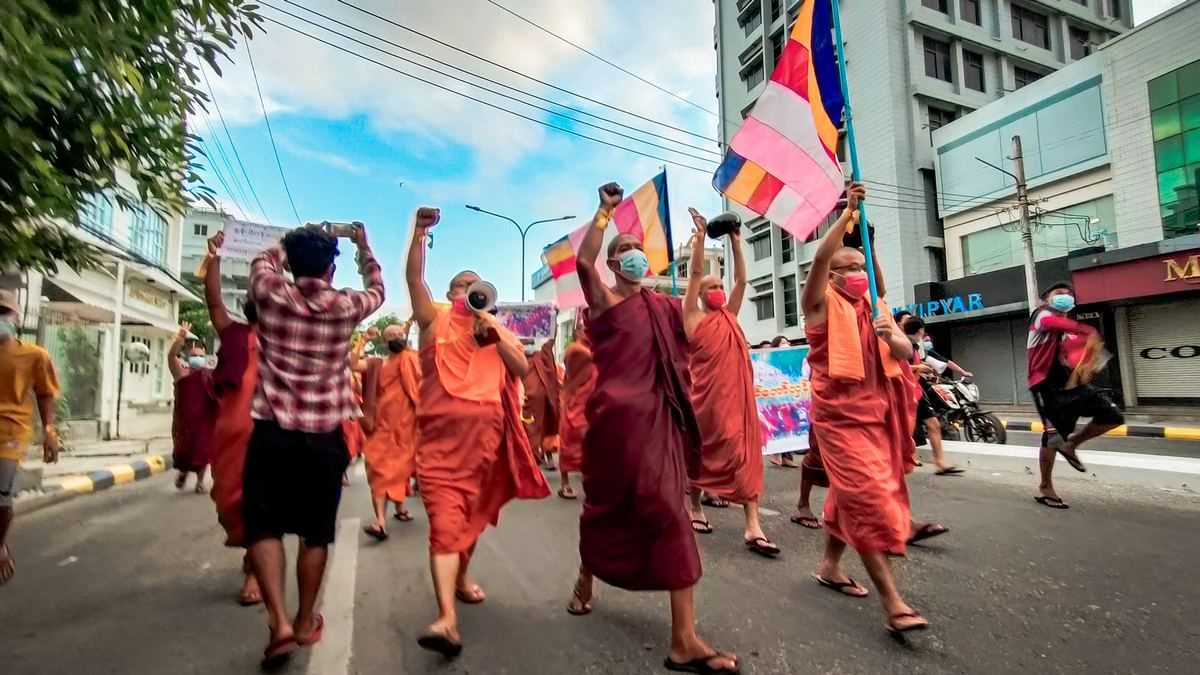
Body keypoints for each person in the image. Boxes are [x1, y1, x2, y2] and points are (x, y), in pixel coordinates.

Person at [566, 183, 738, 674]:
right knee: (608, 509)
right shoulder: (604, 303)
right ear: (613, 264)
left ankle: (683, 639)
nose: (634, 255)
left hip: (660, 421)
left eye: (637, 248)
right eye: (624, 250)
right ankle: (586, 577)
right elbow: (583, 263)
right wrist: (604, 212)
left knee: (669, 513)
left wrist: (700, 242)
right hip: (617, 426)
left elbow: (697, 283)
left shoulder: (664, 307)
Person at [405, 207, 549, 658]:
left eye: (476, 287)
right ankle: (446, 618)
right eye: (462, 286)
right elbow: (413, 280)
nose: (470, 291)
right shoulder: (434, 321)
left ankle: (461, 578)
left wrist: (496, 337)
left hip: (483, 443)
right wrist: (418, 235)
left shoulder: (496, 329)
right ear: (451, 294)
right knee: (445, 522)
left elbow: (522, 369)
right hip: (438, 444)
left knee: (468, 520)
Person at [244, 223, 384, 667]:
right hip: (324, 435)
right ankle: (305, 621)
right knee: (316, 531)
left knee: (264, 527)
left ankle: (279, 623)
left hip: (271, 430)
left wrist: (284, 247)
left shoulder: (270, 292)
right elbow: (377, 288)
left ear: (291, 262)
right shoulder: (346, 306)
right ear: (331, 269)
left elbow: (263, 261)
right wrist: (363, 246)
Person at [801, 183, 931, 635]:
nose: (857, 273)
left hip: (879, 415)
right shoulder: (819, 305)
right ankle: (893, 602)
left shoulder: (876, 307)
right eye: (849, 268)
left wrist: (892, 336)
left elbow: (905, 354)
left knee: (848, 495)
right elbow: (821, 259)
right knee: (868, 497)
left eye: (861, 267)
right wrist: (846, 216)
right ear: (832, 276)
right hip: (839, 420)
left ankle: (829, 565)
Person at [681, 208, 777, 559]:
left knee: (744, 455)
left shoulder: (729, 314)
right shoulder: (693, 316)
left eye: (720, 286)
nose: (719, 290)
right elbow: (694, 275)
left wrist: (736, 241)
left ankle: (753, 525)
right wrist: (700, 238)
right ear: (700, 294)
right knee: (702, 454)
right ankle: (695, 506)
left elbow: (742, 281)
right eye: (712, 287)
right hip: (706, 400)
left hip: (739, 400)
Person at [200, 231, 262, 607]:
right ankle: (251, 552)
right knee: (227, 501)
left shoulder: (284, 339)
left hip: (267, 433)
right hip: (230, 436)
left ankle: (255, 568)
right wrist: (215, 256)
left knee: (260, 501)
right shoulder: (234, 333)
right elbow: (214, 302)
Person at [1028, 282, 1124, 509]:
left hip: (1075, 386)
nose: (1065, 297)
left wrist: (1092, 361)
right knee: (1053, 437)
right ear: (1046, 300)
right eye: (1059, 294)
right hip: (1046, 385)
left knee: (1113, 417)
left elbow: (1090, 359)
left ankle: (1072, 444)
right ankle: (1046, 487)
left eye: (1069, 294)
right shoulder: (1041, 316)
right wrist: (1087, 330)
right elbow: (1052, 323)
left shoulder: (1071, 331)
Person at [0, 289, 59, 587]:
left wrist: (48, 432)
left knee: (1, 499)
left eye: (3, 312)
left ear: (16, 316)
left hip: (11, 433)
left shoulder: (34, 355)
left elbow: (45, 394)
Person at [359, 321, 421, 540]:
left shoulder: (413, 359)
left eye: (399, 334)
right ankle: (380, 522)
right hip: (380, 428)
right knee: (379, 471)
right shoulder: (377, 364)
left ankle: (399, 508)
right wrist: (363, 340)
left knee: (399, 470)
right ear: (384, 342)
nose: (397, 338)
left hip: (406, 427)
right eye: (391, 336)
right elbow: (351, 364)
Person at [901, 317, 964, 475]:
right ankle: (902, 461)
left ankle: (940, 463)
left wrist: (924, 369)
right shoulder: (903, 345)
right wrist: (919, 368)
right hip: (905, 393)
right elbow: (899, 367)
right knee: (907, 430)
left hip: (917, 391)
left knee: (933, 424)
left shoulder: (916, 347)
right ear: (921, 330)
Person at [168, 322, 216, 494]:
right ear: (188, 358)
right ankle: (183, 473)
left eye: (201, 356)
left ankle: (200, 482)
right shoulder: (181, 373)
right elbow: (171, 356)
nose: (198, 358)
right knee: (184, 452)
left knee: (203, 451)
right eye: (194, 355)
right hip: (184, 423)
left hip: (204, 421)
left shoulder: (210, 376)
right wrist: (179, 338)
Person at [557, 311, 595, 500]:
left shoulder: (597, 347)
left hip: (593, 400)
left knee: (593, 444)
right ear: (578, 331)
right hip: (575, 400)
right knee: (570, 440)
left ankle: (591, 482)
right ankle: (565, 482)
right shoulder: (575, 350)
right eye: (583, 328)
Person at [520, 320, 561, 470]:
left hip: (541, 404)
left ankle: (541, 455)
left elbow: (550, 341)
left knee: (541, 429)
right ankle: (529, 460)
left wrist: (553, 319)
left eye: (531, 340)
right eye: (525, 340)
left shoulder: (541, 354)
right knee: (527, 432)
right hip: (523, 402)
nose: (529, 342)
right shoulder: (516, 356)